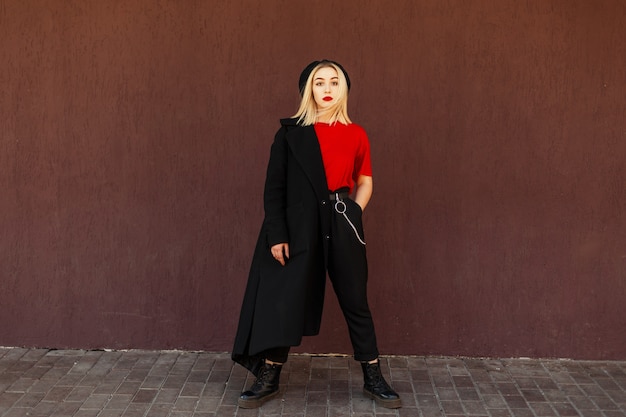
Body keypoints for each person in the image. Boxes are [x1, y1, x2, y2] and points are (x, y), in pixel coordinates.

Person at [232, 60, 401, 409]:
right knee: (287, 300)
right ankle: (269, 376)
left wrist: (353, 212)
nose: (326, 88)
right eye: (318, 82)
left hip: (341, 221)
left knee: (355, 300)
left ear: (343, 89)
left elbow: (365, 180)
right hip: (299, 226)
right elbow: (274, 189)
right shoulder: (291, 133)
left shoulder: (357, 133)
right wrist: (277, 234)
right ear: (308, 89)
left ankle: (373, 377)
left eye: (333, 82)